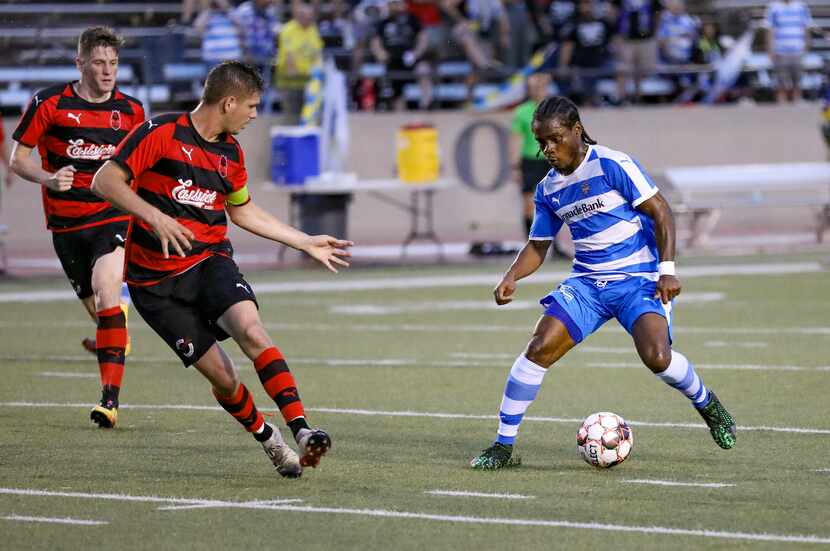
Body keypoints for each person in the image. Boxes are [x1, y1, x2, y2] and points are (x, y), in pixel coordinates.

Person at [91, 61, 353, 477]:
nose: (254, 114)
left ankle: (302, 429)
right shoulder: (160, 133)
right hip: (154, 284)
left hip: (209, 261)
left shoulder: (231, 152)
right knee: (225, 379)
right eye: (251, 106)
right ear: (228, 102)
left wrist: (302, 240)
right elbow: (104, 181)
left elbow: (243, 211)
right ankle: (269, 438)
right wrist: (154, 218)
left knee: (251, 329)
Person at [470, 96, 736, 470]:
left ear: (577, 131)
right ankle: (502, 446)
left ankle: (707, 404)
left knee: (657, 358)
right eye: (541, 141)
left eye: (555, 139)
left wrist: (667, 269)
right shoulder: (548, 189)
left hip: (638, 279)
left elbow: (661, 212)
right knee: (538, 348)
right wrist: (511, 276)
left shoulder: (612, 164)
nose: (547, 149)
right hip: (588, 285)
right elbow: (538, 246)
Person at [9, 26, 145, 429]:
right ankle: (117, 329)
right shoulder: (49, 103)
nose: (108, 71)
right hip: (66, 226)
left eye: (114, 64)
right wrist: (49, 178)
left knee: (107, 290)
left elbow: (145, 163)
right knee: (99, 308)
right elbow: (18, 159)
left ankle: (109, 402)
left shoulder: (133, 111)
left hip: (112, 216)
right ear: (80, 63)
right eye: (99, 63)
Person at [510, 71, 569, 259]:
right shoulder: (522, 111)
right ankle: (531, 246)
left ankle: (556, 246)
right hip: (530, 161)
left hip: (551, 160)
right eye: (533, 87)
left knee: (555, 205)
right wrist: (515, 166)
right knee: (528, 205)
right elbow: (516, 139)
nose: (536, 90)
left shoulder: (555, 111)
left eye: (539, 87)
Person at [370, 0, 433, 111]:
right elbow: (375, 42)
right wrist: (381, 55)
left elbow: (423, 38)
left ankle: (426, 106)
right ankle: (400, 115)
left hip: (412, 58)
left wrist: (416, 53)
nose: (395, 6)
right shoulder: (383, 23)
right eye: (392, 3)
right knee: (396, 91)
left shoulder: (412, 19)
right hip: (392, 60)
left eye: (397, 3)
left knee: (424, 69)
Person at [275, 2, 324, 125]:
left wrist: (318, 75)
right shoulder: (288, 30)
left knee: (309, 113)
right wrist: (299, 80)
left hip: (309, 79)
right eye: (306, 17)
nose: (309, 20)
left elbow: (317, 53)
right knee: (293, 114)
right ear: (299, 16)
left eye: (311, 17)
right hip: (290, 79)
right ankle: (291, 140)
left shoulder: (312, 29)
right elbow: (289, 57)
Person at [764, 0, 820, 103]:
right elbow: (770, 29)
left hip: (798, 48)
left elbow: (806, 27)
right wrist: (770, 49)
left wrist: (807, 45)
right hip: (780, 50)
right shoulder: (773, 6)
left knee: (797, 81)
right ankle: (781, 108)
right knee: (781, 82)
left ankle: (796, 105)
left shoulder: (801, 6)